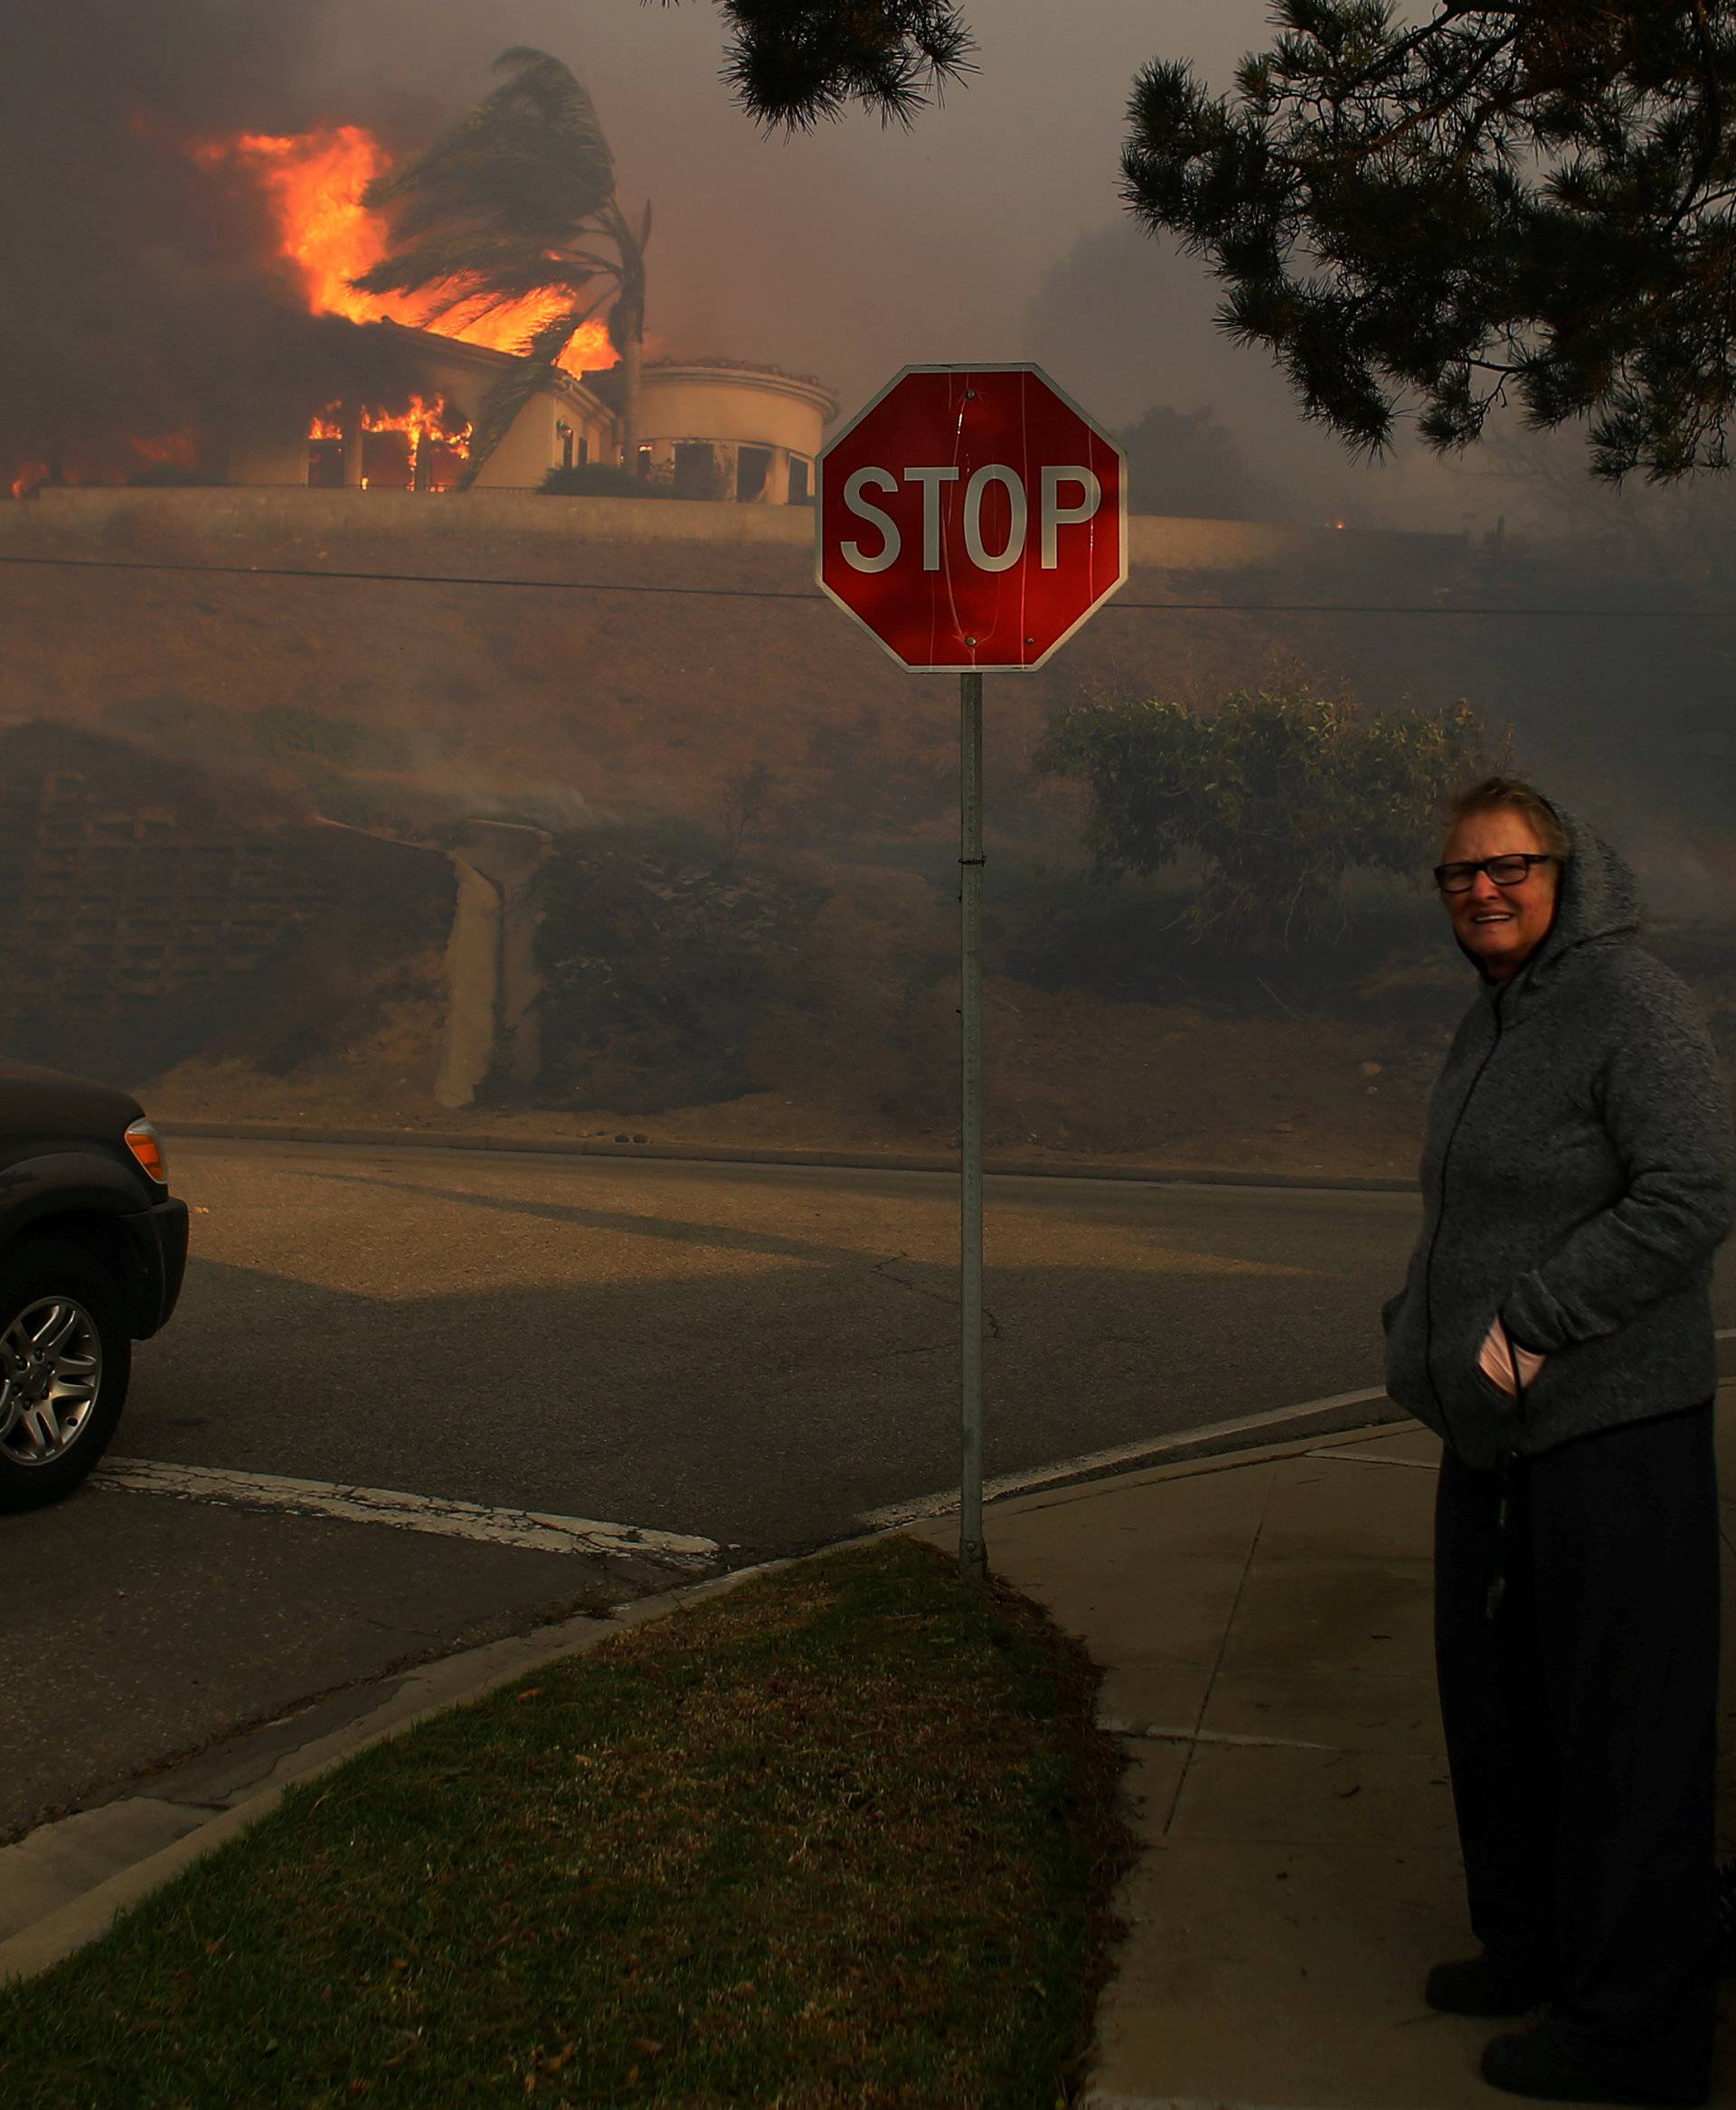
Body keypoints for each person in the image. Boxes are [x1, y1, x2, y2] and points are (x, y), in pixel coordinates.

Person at [1381, 777, 1736, 2107]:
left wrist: (1528, 1324)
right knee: (1503, 1713)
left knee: (1623, 1740)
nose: (1482, 889)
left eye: (1508, 866)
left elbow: (1696, 1190)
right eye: (1460, 874)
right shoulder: (1493, 1019)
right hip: (1495, 1442)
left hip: (1612, 1437)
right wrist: (1416, 1323)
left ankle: (1633, 2035)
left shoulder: (1627, 1001)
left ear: (1566, 870)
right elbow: (1472, 1201)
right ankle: (1529, 1946)